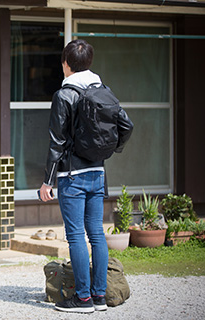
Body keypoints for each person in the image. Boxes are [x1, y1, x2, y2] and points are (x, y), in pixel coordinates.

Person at [39, 39, 134, 313]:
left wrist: (48, 181)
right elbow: (127, 125)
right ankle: (99, 297)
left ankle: (82, 299)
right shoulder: (103, 90)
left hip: (72, 175)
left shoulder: (64, 94)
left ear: (66, 64)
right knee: (96, 233)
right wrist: (110, 149)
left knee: (76, 236)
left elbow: (57, 142)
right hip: (97, 172)